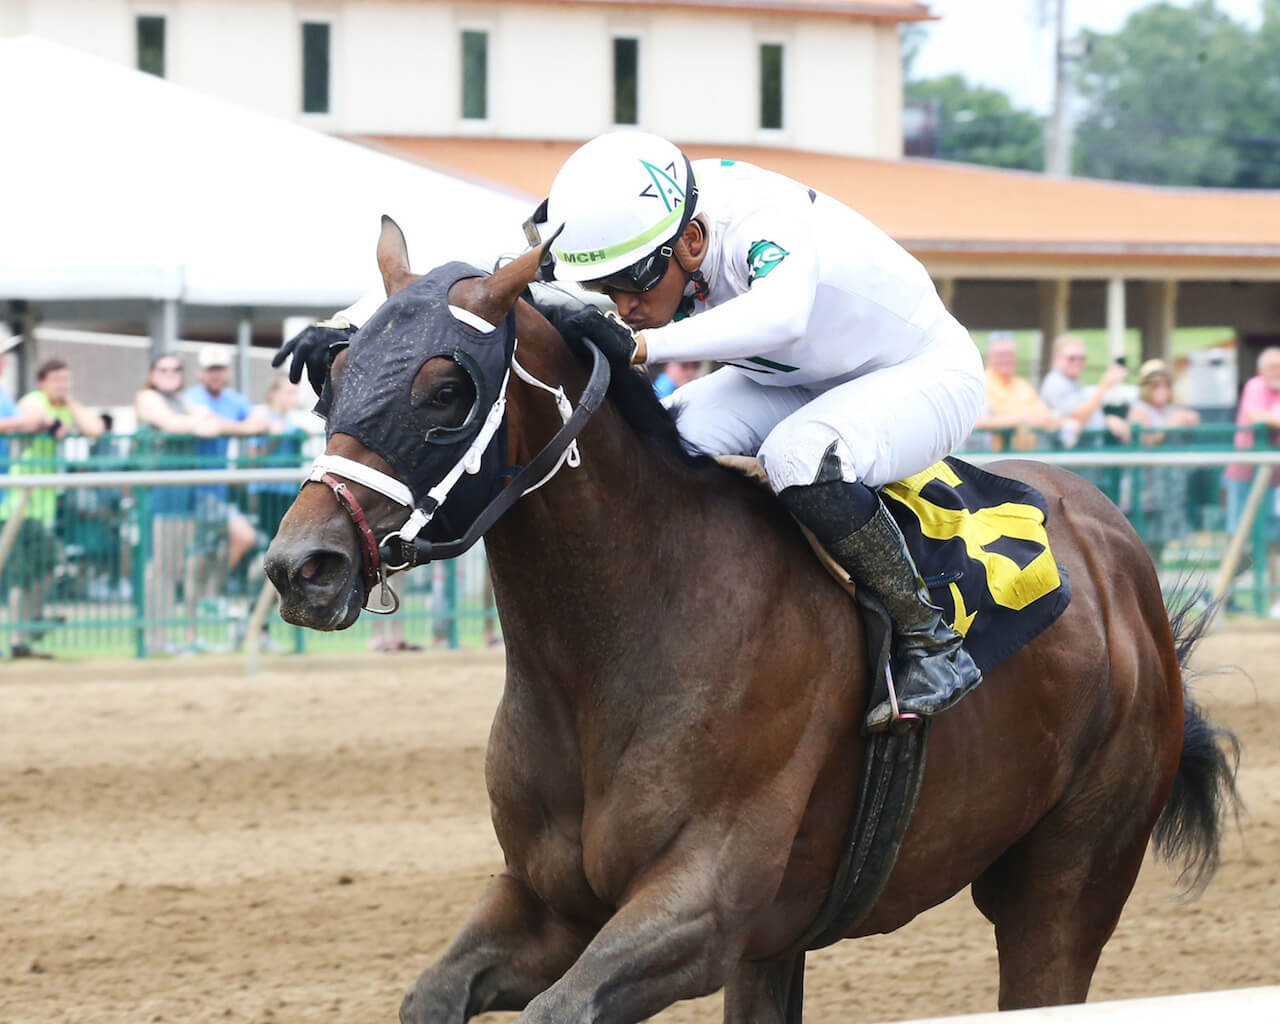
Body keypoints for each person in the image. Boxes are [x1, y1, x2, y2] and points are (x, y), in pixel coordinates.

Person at [525, 131, 985, 731]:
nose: (622, 304)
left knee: (798, 456)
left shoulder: (760, 215)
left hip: (920, 369)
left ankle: (929, 641)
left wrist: (643, 346)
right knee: (664, 439)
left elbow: (781, 315)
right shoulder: (651, 227)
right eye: (603, 288)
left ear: (691, 240)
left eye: (632, 282)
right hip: (796, 377)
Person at [1, 359, 103, 658]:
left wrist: (69, 402)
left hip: (41, 505)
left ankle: (27, 629)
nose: (62, 385)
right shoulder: (33, 400)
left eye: (66, 380)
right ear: (42, 382)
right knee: (32, 569)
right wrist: (54, 422)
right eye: (57, 380)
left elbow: (94, 429)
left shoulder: (64, 403)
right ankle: (22, 632)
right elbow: (37, 420)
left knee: (41, 568)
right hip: (19, 503)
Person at [134, 354, 224, 653]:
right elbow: (171, 424)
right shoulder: (147, 397)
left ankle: (171, 637)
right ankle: (154, 638)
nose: (170, 373)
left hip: (184, 494)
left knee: (176, 567)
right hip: (161, 493)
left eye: (176, 368)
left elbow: (212, 423)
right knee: (162, 567)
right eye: (163, 368)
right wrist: (193, 423)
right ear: (152, 373)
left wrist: (194, 422)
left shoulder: (185, 401)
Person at [183, 346, 268, 629]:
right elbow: (209, 424)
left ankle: (210, 594)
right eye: (210, 369)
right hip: (190, 491)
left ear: (227, 372)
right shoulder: (192, 398)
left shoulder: (235, 399)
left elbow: (260, 421)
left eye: (220, 369)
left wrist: (239, 427)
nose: (215, 375)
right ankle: (195, 615)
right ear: (200, 373)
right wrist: (243, 429)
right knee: (199, 556)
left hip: (217, 490)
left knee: (240, 539)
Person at [1125, 359, 1201, 568]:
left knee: (1158, 546)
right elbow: (1146, 440)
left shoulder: (1170, 409)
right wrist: (1172, 425)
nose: (1163, 389)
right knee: (1142, 545)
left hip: (1168, 487)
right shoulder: (1138, 410)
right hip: (1146, 488)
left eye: (1167, 384)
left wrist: (1189, 422)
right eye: (1156, 384)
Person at [1223, 347, 1280, 607]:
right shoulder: (1256, 387)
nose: (1276, 372)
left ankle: (1272, 600)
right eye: (1272, 367)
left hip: (1273, 480)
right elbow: (1259, 417)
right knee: (1240, 539)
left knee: (1273, 540)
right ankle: (1220, 594)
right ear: (1260, 370)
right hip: (1244, 476)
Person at [1039, 333, 1132, 446]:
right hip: (1064, 457)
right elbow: (1078, 416)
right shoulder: (1055, 382)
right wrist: (1104, 386)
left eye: (1081, 358)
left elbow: (1087, 414)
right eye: (1071, 358)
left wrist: (1107, 420)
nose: (1077, 362)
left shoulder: (1074, 383)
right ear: (1056, 359)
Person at [973, 334, 1059, 451]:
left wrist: (1007, 418)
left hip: (1025, 457)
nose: (1006, 359)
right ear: (989, 358)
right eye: (1000, 355)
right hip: (990, 460)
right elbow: (976, 423)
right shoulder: (979, 384)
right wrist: (1020, 419)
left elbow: (1047, 418)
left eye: (1009, 355)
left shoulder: (1023, 385)